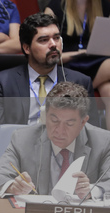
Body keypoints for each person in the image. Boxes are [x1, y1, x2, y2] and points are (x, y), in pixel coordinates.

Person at [0, 12, 99, 191]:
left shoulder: (80, 82)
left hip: (65, 162)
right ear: (27, 48)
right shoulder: (2, 82)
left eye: (56, 38)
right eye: (44, 40)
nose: (53, 44)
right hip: (16, 161)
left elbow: (93, 138)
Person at [0, 82, 110, 199]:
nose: (59, 131)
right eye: (54, 120)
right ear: (45, 116)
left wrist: (92, 190)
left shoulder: (103, 142)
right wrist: (13, 187)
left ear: (83, 122)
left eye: (69, 123)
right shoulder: (22, 139)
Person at [45, 0, 110, 128]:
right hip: (68, 61)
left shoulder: (104, 5)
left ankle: (105, 144)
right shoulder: (55, 7)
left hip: (97, 61)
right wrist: (77, 54)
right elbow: (45, 52)